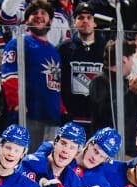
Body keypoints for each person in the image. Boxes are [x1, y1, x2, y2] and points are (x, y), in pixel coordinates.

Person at [0, 0, 61, 149]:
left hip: (52, 116)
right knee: (27, 158)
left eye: (43, 13)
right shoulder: (19, 43)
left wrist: (61, 108)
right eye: (34, 13)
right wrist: (16, 104)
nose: (39, 16)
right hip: (29, 115)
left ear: (50, 21)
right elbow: (9, 76)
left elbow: (57, 84)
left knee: (47, 160)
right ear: (26, 20)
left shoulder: (54, 50)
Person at [88, 40, 137, 158]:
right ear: (124, 59)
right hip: (106, 151)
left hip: (129, 151)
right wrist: (130, 93)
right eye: (132, 58)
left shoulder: (126, 84)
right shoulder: (100, 81)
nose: (132, 63)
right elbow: (107, 114)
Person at [57, 3, 105, 131]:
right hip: (70, 117)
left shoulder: (105, 49)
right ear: (74, 22)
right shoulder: (64, 49)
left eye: (89, 17)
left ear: (95, 22)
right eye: (81, 18)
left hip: (99, 117)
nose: (85, 21)